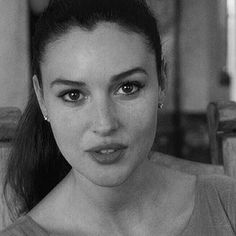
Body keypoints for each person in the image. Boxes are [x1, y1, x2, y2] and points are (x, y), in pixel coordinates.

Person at [1, 0, 236, 235]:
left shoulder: (227, 204)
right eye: (73, 95)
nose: (104, 124)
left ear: (162, 82)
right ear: (42, 98)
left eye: (128, 88)